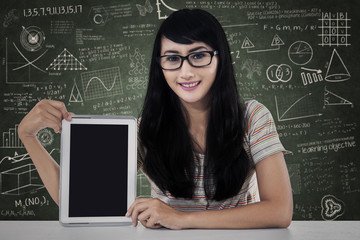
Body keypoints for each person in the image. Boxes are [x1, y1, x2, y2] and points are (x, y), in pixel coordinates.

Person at [18, 9, 293, 230]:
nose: (185, 72)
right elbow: (76, 200)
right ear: (160, 66)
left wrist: (181, 218)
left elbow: (280, 211)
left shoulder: (252, 118)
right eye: (172, 58)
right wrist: (27, 136)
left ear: (220, 59)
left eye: (198, 55)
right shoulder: (145, 131)